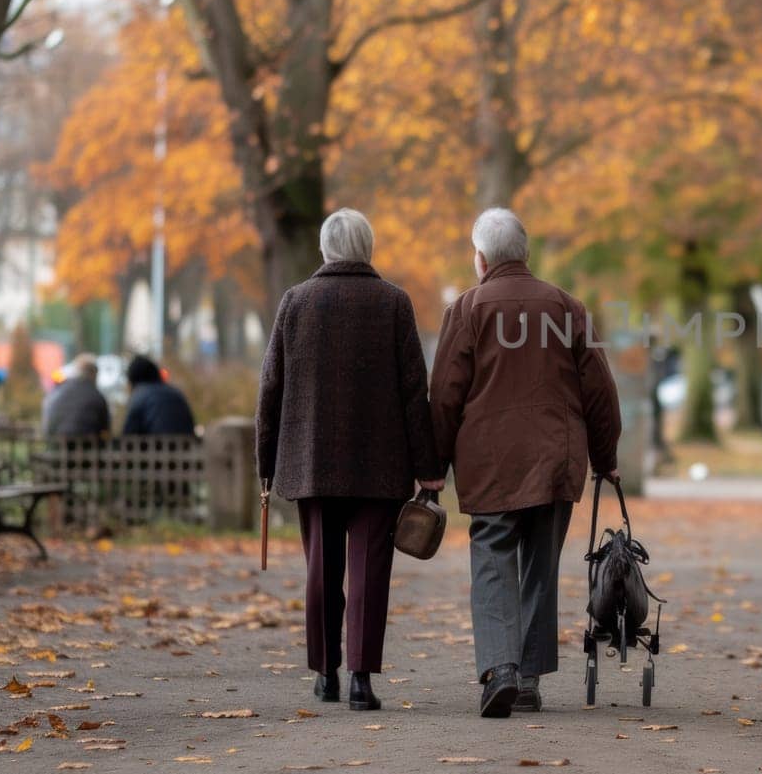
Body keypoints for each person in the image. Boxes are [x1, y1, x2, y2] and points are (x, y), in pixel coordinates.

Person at [429, 208, 621, 718]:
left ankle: (499, 670)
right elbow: (599, 387)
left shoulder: (467, 309)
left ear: (481, 258)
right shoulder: (567, 307)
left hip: (490, 459)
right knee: (541, 564)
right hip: (556, 456)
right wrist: (606, 457)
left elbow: (446, 393)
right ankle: (530, 678)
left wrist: (433, 465)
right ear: (526, 254)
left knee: (492, 558)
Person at [256, 208, 441, 713]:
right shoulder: (394, 303)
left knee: (321, 569)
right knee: (367, 572)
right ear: (368, 249)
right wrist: (429, 468)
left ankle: (325, 673)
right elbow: (412, 391)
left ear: (324, 249)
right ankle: (361, 678)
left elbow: (271, 387)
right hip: (381, 467)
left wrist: (265, 464)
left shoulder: (295, 302)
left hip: (310, 462)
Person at [121, 355, 197, 435]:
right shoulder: (176, 393)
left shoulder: (140, 396)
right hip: (187, 446)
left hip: (153, 446)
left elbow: (128, 435)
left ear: (133, 379)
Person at [42, 354, 111, 438]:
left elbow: (47, 425)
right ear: (93, 373)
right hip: (86, 447)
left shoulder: (58, 390)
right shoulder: (96, 395)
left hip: (56, 445)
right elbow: (105, 428)